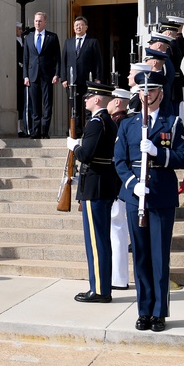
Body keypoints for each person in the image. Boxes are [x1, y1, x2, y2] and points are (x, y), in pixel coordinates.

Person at [114, 71, 184, 332]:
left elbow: (183, 158)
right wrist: (132, 185)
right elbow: (120, 161)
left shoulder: (172, 122)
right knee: (141, 256)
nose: (146, 95)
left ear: (161, 93)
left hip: (161, 194)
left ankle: (159, 312)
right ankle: (144, 310)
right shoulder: (128, 124)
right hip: (137, 196)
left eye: (152, 90)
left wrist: (159, 152)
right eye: (142, 90)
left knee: (159, 256)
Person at [67, 82, 120, 303]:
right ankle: (101, 286)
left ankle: (99, 290)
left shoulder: (96, 123)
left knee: (96, 242)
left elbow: (86, 155)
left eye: (89, 97)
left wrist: (73, 146)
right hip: (103, 184)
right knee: (101, 240)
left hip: (95, 187)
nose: (86, 100)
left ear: (97, 99)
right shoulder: (108, 122)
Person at [106, 87, 132, 291]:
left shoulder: (121, 122)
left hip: (119, 183)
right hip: (119, 182)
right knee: (117, 229)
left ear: (117, 102)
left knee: (118, 228)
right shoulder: (120, 121)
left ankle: (119, 277)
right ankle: (118, 276)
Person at [61, 15, 103, 134]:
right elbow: (64, 60)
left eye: (80, 25)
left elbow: (98, 61)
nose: (78, 27)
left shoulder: (92, 42)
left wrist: (98, 78)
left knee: (88, 106)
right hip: (72, 81)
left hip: (88, 80)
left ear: (86, 27)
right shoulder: (68, 42)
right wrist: (64, 78)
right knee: (74, 106)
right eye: (76, 25)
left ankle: (88, 130)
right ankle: (77, 130)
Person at [22, 11, 61, 138]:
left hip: (47, 76)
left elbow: (58, 58)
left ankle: (45, 131)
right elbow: (26, 59)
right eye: (36, 21)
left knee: (47, 104)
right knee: (35, 104)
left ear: (45, 22)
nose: (37, 23)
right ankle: (35, 131)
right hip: (33, 75)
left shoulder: (52, 37)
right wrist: (25, 76)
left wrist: (57, 74)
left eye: (40, 21)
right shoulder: (28, 38)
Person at [15, 22, 26, 136]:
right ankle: (17, 128)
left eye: (20, 29)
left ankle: (22, 127)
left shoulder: (23, 41)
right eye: (18, 29)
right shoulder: (14, 42)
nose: (20, 31)